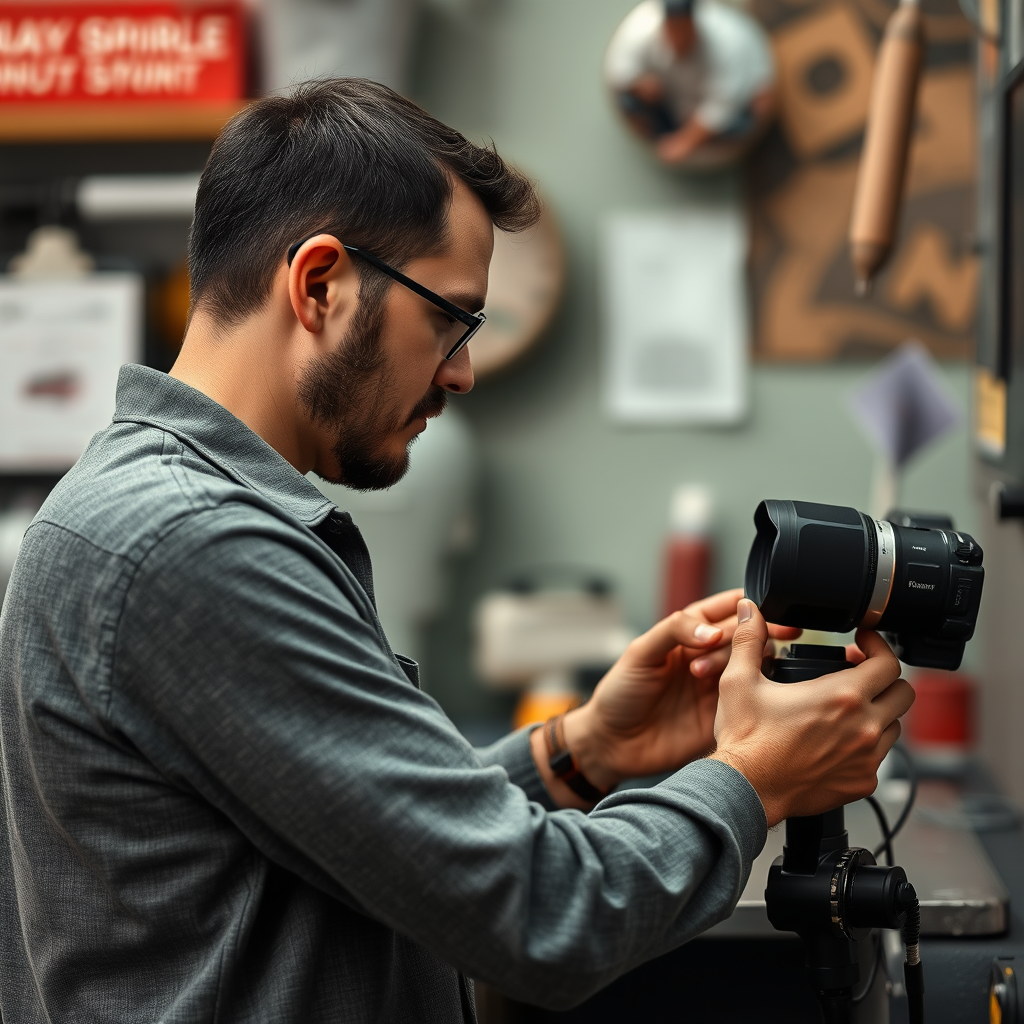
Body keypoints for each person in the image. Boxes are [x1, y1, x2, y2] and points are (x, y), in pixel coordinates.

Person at [0, 79, 912, 1023]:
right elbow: (544, 917)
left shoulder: (149, 509)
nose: (462, 370)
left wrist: (583, 748)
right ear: (319, 284)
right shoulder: (190, 545)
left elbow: (352, 834)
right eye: (451, 317)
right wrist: (756, 778)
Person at [605, 0, 777, 166]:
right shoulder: (642, 29)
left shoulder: (726, 41)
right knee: (629, 101)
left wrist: (683, 142)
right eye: (673, 29)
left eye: (684, 30)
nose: (678, 39)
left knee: (742, 124)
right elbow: (619, 72)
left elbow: (722, 106)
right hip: (674, 103)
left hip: (729, 98)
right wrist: (640, 85)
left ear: (695, 22)